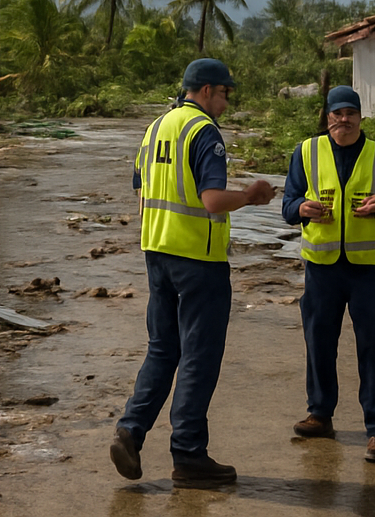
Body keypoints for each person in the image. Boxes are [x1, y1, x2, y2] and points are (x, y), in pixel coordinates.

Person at [110, 58, 276, 489]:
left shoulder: (155, 129)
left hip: (157, 253)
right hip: (198, 261)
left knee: (163, 349)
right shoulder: (204, 132)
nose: (225, 103)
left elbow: (140, 185)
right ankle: (188, 456)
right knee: (199, 356)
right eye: (224, 94)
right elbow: (211, 200)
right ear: (205, 91)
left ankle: (130, 430)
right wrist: (251, 195)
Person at [280, 85, 375, 463]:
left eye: (350, 113)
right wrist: (302, 209)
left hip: (371, 270)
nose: (343, 120)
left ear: (360, 117)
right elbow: (288, 203)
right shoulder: (305, 152)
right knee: (319, 341)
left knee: (374, 347)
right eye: (336, 114)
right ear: (327, 118)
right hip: (322, 268)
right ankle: (320, 413)